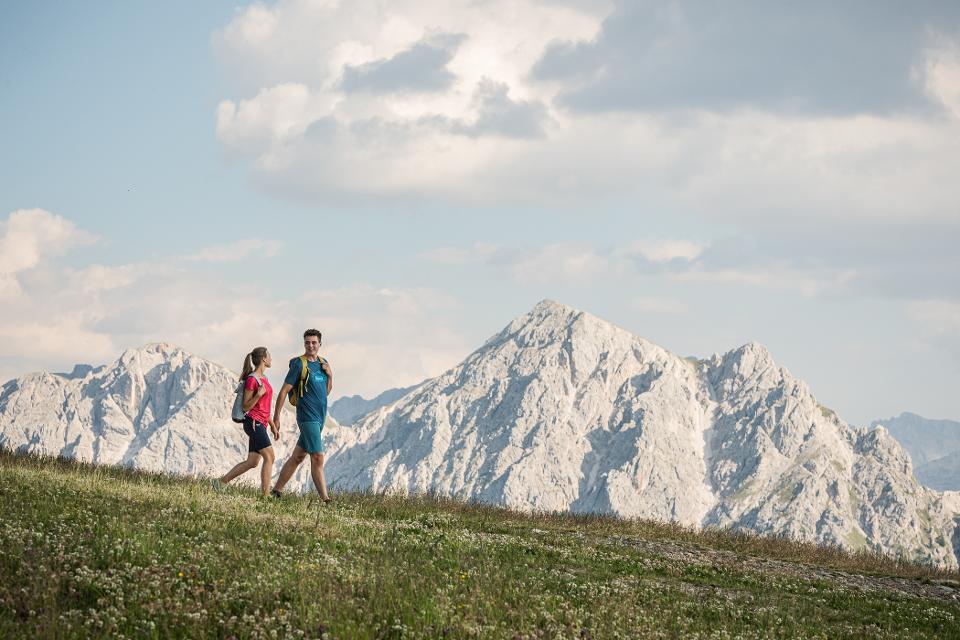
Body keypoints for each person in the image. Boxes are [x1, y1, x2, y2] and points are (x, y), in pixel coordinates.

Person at [271, 329, 333, 501]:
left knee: (298, 456)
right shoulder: (299, 364)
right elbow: (284, 391)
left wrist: (330, 375)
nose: (311, 345)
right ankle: (325, 500)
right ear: (304, 344)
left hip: (320, 418)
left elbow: (325, 392)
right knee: (317, 457)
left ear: (320, 344)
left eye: (314, 342)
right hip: (307, 417)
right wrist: (276, 417)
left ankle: (276, 491)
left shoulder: (323, 363)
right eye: (307, 342)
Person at [212, 347, 278, 496]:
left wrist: (273, 426)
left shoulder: (264, 380)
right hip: (254, 423)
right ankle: (266, 496)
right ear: (264, 359)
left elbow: (265, 407)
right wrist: (258, 395)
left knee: (253, 461)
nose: (271, 359)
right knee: (270, 457)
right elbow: (246, 406)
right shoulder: (251, 380)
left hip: (262, 422)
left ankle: (220, 483)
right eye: (270, 356)